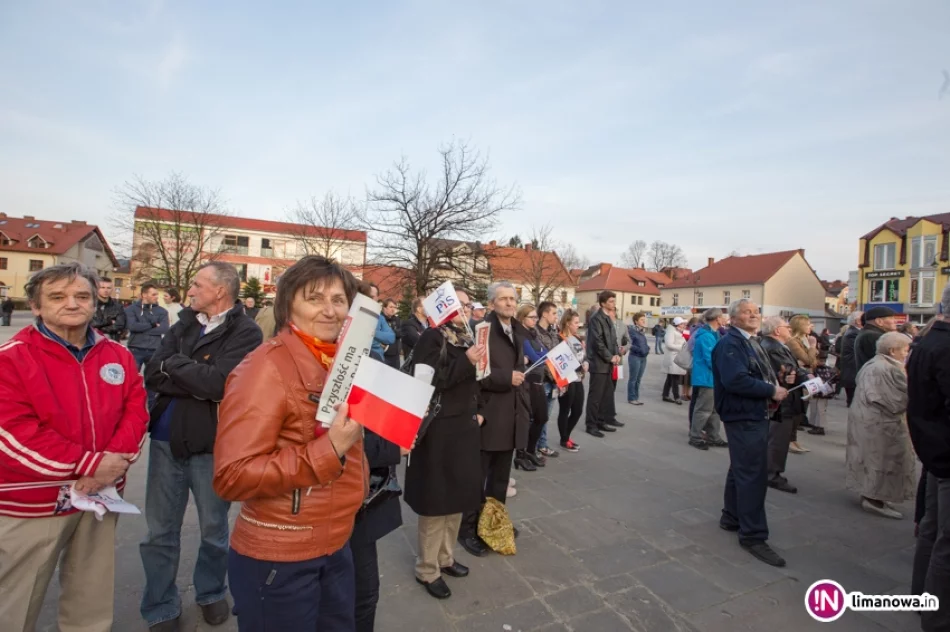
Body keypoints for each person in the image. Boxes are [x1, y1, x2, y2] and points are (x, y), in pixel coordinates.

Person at [213, 255, 367, 631]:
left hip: (336, 543)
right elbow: (231, 476)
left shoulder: (338, 361)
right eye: (315, 298)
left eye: (338, 299)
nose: (330, 310)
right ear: (287, 306)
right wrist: (328, 451)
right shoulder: (265, 367)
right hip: (280, 555)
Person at [0, 262, 148, 632]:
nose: (72, 303)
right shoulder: (11, 357)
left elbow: (136, 411)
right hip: (35, 501)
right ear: (35, 305)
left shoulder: (117, 354)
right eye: (57, 297)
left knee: (91, 598)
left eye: (82, 296)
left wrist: (111, 466)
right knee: (16, 602)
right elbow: (14, 432)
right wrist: (91, 464)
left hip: (101, 496)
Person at [140, 263, 263, 632]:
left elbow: (219, 384)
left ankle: (210, 592)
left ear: (220, 290)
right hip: (164, 440)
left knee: (213, 530)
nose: (189, 291)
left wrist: (176, 367)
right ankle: (160, 606)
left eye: (197, 284)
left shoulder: (246, 331)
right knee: (159, 533)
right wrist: (190, 371)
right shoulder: (185, 323)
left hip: (212, 446)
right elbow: (152, 371)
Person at [405, 288, 485, 600]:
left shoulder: (466, 337)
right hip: (438, 429)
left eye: (467, 305)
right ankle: (427, 569)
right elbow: (431, 381)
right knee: (436, 501)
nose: (466, 309)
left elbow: (471, 380)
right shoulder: (432, 337)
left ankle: (445, 558)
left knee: (457, 497)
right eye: (461, 304)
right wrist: (466, 361)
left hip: (463, 426)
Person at [713, 299, 789, 567]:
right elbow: (735, 380)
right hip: (743, 414)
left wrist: (777, 379)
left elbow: (755, 372)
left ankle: (731, 517)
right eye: (747, 312)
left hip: (753, 412)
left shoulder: (750, 340)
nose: (754, 315)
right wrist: (770, 390)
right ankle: (753, 535)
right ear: (733, 318)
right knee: (752, 474)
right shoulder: (731, 343)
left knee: (741, 468)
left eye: (756, 312)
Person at [458, 281, 529, 558]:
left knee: (500, 479)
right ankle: (469, 530)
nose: (510, 303)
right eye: (504, 299)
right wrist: (505, 378)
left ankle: (494, 524)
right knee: (477, 479)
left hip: (511, 415)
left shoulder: (517, 332)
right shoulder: (482, 331)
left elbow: (519, 366)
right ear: (491, 304)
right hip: (489, 414)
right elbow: (477, 372)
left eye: (513, 298)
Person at [350, 285, 404, 631]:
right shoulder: (287, 363)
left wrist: (399, 436)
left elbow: (380, 437)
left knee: (366, 595)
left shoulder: (367, 361)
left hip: (362, 501)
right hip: (314, 512)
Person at [908, 285, 950, 632]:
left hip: (935, 450)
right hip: (945, 452)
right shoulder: (944, 345)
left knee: (932, 529)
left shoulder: (928, 341)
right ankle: (938, 619)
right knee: (945, 541)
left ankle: (921, 596)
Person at [845, 332, 915, 520]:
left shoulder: (882, 364)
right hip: (878, 424)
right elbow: (891, 399)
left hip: (877, 422)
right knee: (879, 460)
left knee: (879, 461)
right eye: (905, 350)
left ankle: (877, 496)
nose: (907, 353)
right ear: (893, 351)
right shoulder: (881, 368)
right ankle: (873, 499)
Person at [758, 316, 807, 495]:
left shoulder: (770, 344)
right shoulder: (774, 347)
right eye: (786, 326)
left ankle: (769, 470)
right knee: (777, 439)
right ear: (777, 330)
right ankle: (772, 474)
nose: (789, 329)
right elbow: (788, 370)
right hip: (782, 400)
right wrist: (805, 375)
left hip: (778, 398)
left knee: (774, 438)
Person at [584, 291, 622, 438]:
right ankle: (591, 424)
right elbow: (597, 342)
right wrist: (610, 357)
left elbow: (612, 340)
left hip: (608, 364)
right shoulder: (596, 319)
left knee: (605, 395)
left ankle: (601, 421)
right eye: (611, 301)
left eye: (614, 301)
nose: (613, 303)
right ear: (603, 303)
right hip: (599, 364)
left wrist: (616, 355)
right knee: (595, 396)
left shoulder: (607, 318)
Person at [689, 308, 727, 450]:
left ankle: (713, 436)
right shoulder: (706, 335)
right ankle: (695, 436)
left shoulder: (714, 333)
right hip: (706, 377)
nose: (724, 319)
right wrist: (723, 371)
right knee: (703, 409)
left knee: (714, 410)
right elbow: (711, 358)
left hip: (712, 377)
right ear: (717, 318)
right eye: (722, 316)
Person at [783, 315, 817, 454]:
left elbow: (812, 362)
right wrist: (813, 346)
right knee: (796, 410)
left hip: (807, 377)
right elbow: (808, 359)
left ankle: (794, 439)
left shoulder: (805, 340)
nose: (811, 326)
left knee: (802, 409)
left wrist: (810, 354)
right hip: (798, 378)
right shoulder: (793, 341)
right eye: (808, 324)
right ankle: (790, 440)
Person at [534, 300, 562, 458]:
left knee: (546, 416)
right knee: (538, 416)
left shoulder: (553, 331)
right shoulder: (535, 332)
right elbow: (541, 359)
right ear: (544, 314)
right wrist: (553, 376)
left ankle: (542, 445)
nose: (556, 316)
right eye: (553, 313)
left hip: (554, 381)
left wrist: (561, 379)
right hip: (543, 379)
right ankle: (534, 446)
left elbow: (558, 354)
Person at [557, 309, 586, 452]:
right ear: (568, 323)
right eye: (575, 323)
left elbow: (583, 356)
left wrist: (586, 363)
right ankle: (564, 439)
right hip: (567, 379)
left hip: (578, 378)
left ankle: (566, 435)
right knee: (565, 409)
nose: (578, 325)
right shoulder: (560, 338)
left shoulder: (576, 338)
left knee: (578, 410)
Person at [125, 283, 170, 371]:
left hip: (154, 350)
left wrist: (140, 329)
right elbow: (132, 326)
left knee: (153, 380)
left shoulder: (162, 311)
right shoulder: (131, 309)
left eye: (157, 294)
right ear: (144, 295)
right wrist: (152, 325)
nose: (156, 297)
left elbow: (164, 329)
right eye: (153, 294)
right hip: (135, 348)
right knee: (132, 378)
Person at [854, 306, 898, 373]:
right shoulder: (873, 336)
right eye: (891, 318)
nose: (895, 321)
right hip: (876, 380)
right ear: (879, 321)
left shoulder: (867, 333)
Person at [806, 352, 836, 436]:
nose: (821, 361)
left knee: (819, 409)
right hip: (822, 392)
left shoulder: (815, 369)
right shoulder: (828, 369)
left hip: (819, 391)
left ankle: (820, 427)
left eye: (823, 360)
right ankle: (816, 425)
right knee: (816, 409)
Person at [839, 311, 864, 406]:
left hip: (852, 373)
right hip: (853, 373)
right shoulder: (853, 333)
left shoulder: (854, 332)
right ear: (858, 321)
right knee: (854, 404)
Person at [661, 317, 688, 404]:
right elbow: (669, 344)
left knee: (670, 377)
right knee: (675, 377)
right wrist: (682, 347)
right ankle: (676, 397)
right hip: (673, 357)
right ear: (677, 324)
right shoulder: (671, 331)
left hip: (676, 356)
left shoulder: (679, 331)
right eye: (682, 324)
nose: (684, 325)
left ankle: (665, 395)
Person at [91, 276, 126, 340]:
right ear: (96, 288)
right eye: (103, 287)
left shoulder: (117, 306)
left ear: (112, 289)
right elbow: (90, 324)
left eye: (108, 288)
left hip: (112, 341)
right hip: (92, 341)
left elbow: (119, 325)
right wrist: (109, 321)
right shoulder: (91, 304)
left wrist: (100, 329)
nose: (106, 290)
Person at [626, 312, 649, 405]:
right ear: (636, 321)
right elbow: (629, 344)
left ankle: (636, 397)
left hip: (643, 357)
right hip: (635, 357)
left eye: (644, 319)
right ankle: (631, 398)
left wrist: (647, 349)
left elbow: (644, 344)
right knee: (633, 378)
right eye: (641, 320)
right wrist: (639, 350)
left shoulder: (642, 331)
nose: (644, 321)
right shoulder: (632, 331)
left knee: (638, 379)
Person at [381, 298, 402, 369]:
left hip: (396, 356)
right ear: (384, 308)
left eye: (394, 307)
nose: (393, 309)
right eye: (390, 307)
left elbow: (401, 332)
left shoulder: (397, 319)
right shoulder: (380, 319)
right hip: (384, 355)